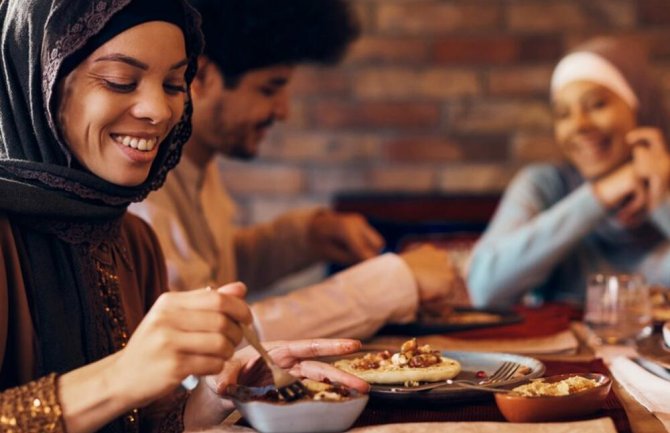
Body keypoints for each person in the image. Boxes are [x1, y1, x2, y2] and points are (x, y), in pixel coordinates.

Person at [0, 1, 367, 432]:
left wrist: (216, 391)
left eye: (174, 83)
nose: (159, 110)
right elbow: (121, 388)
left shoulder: (132, 240)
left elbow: (142, 423)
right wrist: (121, 376)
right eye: (121, 81)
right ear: (36, 85)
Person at [130, 0, 461, 341]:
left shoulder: (197, 163)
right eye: (269, 89)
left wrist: (306, 237)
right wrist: (394, 282)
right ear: (200, 77)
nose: (283, 110)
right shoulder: (142, 187)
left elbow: (210, 274)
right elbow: (203, 341)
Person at [467, 36, 670, 308]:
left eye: (597, 105)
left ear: (640, 108)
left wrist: (661, 200)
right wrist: (600, 195)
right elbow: (483, 287)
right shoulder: (545, 184)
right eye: (563, 114)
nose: (579, 126)